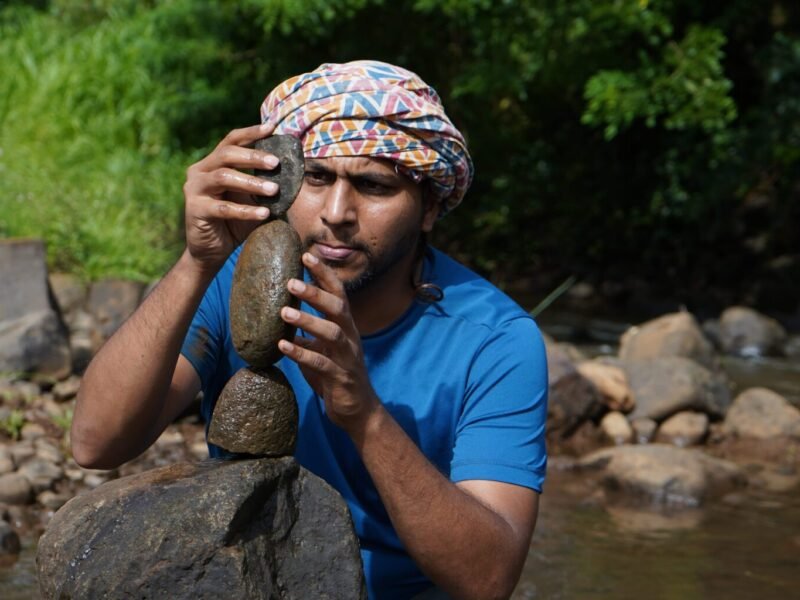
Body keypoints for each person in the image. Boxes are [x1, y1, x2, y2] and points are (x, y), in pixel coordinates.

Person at [71, 60, 548, 600]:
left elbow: (487, 580)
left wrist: (363, 415)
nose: (337, 213)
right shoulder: (238, 283)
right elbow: (95, 442)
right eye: (317, 179)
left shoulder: (495, 339)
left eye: (373, 185)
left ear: (430, 207)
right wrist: (197, 262)